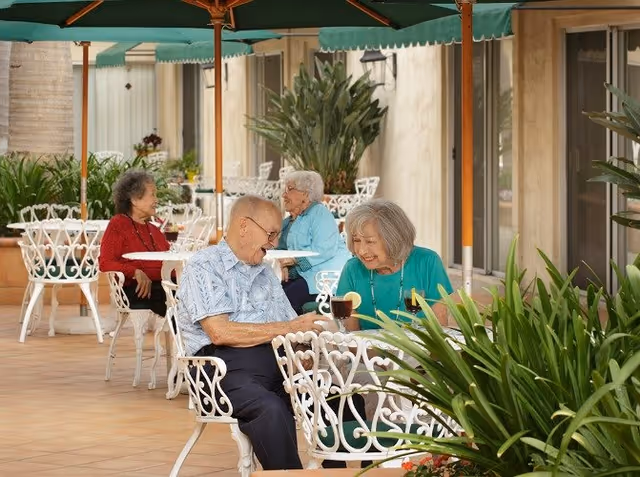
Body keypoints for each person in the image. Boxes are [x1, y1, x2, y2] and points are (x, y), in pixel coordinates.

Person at [175, 195, 330, 471]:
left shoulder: (265, 272)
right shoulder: (205, 265)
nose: (273, 244)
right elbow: (219, 332)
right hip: (218, 369)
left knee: (334, 396)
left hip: (273, 365)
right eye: (270, 234)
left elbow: (291, 325)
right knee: (270, 408)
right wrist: (289, 330)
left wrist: (302, 351)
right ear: (244, 225)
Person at [336, 199, 453, 330]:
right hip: (368, 350)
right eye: (356, 240)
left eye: (370, 242)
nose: (361, 251)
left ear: (393, 239)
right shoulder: (352, 269)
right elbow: (350, 337)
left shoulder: (427, 262)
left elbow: (440, 330)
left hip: (417, 350)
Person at [99, 169, 170, 316]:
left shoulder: (154, 230)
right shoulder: (118, 224)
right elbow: (105, 263)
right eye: (152, 194)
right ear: (134, 200)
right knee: (183, 302)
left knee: (194, 296)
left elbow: (169, 261)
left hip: (163, 287)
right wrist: (135, 271)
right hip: (137, 290)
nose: (156, 200)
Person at [278, 171, 351, 313]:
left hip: (322, 279)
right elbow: (281, 248)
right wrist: (283, 264)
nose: (284, 195)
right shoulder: (294, 219)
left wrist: (292, 260)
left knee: (284, 299)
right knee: (273, 293)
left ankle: (292, 332)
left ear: (305, 193)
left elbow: (324, 249)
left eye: (289, 189)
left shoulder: (319, 213)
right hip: (305, 276)